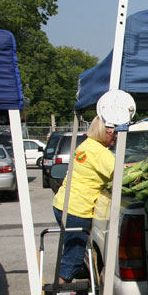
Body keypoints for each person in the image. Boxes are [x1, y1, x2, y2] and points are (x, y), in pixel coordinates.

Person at [52, 117, 116, 283]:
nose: (115, 136)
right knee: (73, 257)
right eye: (112, 132)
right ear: (103, 132)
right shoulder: (101, 153)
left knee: (72, 250)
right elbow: (122, 174)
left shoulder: (86, 145)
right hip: (77, 210)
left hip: (63, 205)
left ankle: (70, 280)